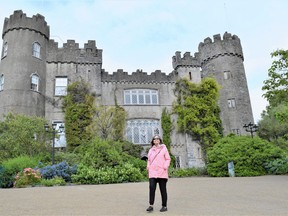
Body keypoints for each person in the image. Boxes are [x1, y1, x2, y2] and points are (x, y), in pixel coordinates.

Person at [146, 135, 171, 212]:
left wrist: (165, 166)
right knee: (152, 188)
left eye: (157, 139)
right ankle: (151, 205)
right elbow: (149, 160)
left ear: (159, 140)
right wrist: (148, 166)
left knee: (162, 189)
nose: (156, 140)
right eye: (154, 139)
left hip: (162, 172)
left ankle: (164, 206)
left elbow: (168, 159)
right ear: (153, 141)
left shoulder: (164, 149)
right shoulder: (151, 150)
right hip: (153, 172)